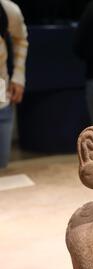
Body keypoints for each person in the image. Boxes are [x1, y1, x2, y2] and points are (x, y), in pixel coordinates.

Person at [0, 0, 28, 169]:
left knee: (2, 172)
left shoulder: (7, 10)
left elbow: (21, 39)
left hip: (1, 101)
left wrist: (18, 76)